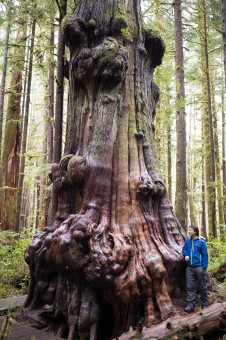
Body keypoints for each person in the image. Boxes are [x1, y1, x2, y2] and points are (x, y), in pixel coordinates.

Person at [182, 225, 209, 312]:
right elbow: (184, 249)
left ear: (195, 232)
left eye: (190, 230)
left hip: (199, 267)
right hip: (189, 268)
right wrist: (185, 254)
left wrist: (203, 267)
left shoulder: (201, 242)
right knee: (190, 287)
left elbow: (205, 255)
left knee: (202, 286)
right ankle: (190, 305)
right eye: (189, 230)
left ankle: (205, 305)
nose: (189, 231)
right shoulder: (187, 241)